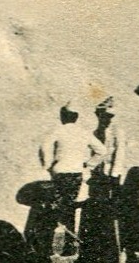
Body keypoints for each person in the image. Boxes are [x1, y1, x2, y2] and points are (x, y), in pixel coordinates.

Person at [38, 103, 106, 254]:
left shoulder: (57, 130)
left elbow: (44, 147)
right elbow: (102, 150)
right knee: (69, 207)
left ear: (63, 116)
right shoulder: (84, 132)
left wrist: (48, 165)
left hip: (59, 172)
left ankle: (49, 246)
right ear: (76, 117)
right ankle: (69, 246)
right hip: (75, 173)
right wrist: (89, 165)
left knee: (54, 207)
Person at [17, 179, 60, 263]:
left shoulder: (47, 210)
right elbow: (28, 231)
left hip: (42, 251)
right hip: (37, 251)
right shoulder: (38, 209)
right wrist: (32, 248)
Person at [92, 96, 124, 177]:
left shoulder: (116, 132)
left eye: (106, 116)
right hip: (96, 173)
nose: (101, 119)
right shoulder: (96, 132)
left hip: (109, 173)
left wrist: (115, 174)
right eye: (100, 116)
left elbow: (120, 153)